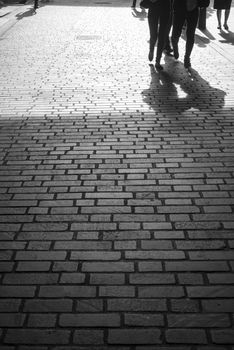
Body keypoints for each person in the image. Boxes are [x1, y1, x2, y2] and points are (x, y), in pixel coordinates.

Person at [171, 0, 199, 69]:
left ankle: (187, 58)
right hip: (179, 7)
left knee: (191, 34)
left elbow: (205, 3)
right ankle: (175, 47)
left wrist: (197, 3)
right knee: (175, 33)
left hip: (193, 9)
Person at [147, 0, 171, 71]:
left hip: (165, 8)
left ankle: (158, 61)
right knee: (153, 35)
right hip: (153, 8)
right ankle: (151, 50)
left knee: (162, 36)